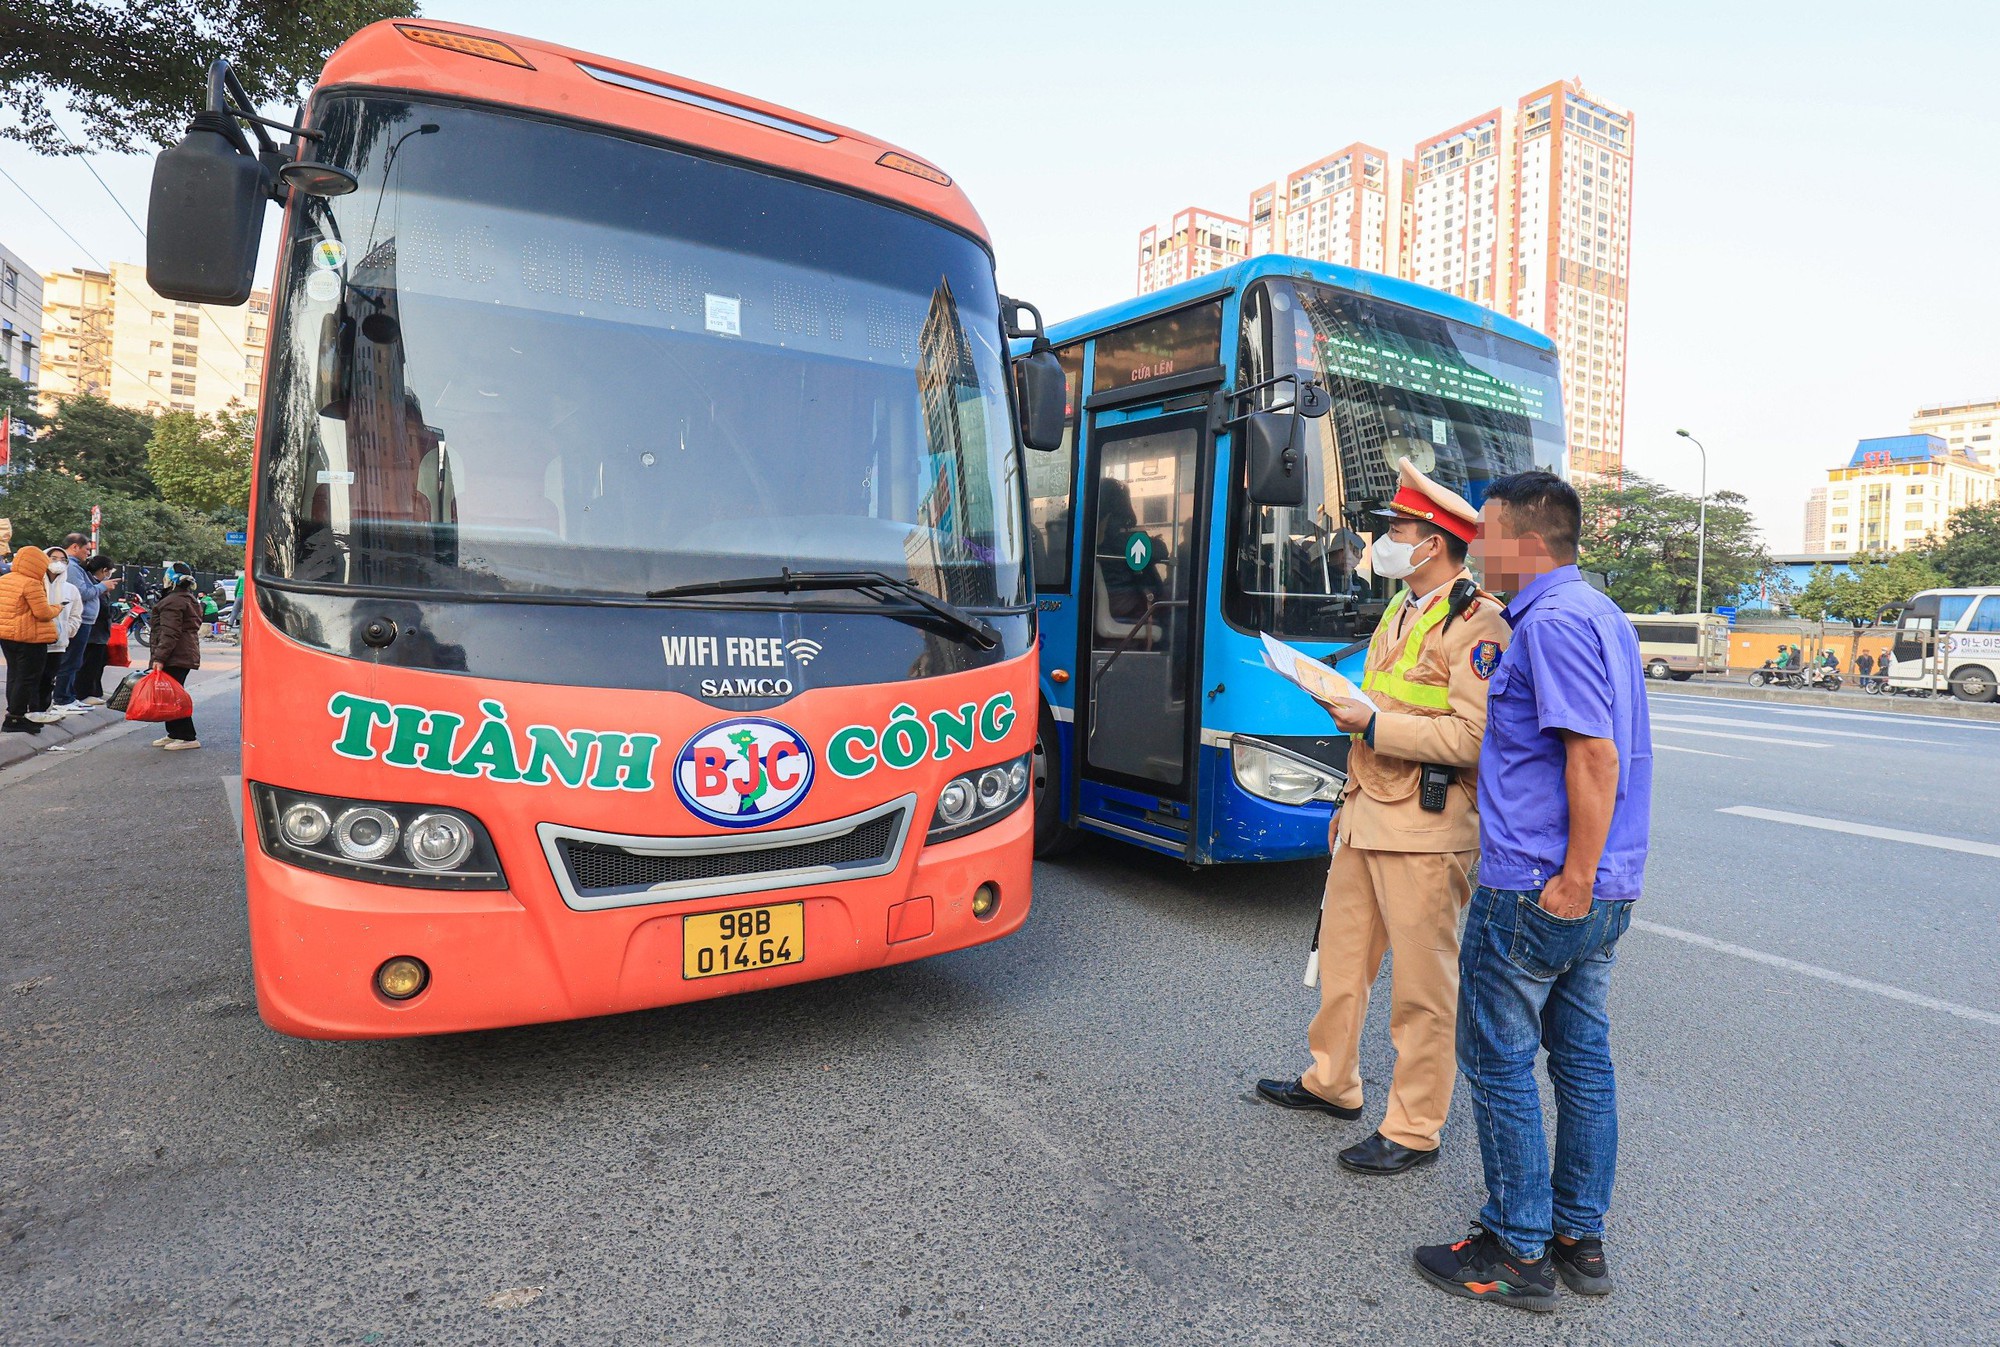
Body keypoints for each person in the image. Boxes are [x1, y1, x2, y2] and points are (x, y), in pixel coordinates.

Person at [1413, 470, 1652, 1313]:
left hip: (1543, 887)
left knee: (1498, 1060)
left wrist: (1571, 880)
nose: (1476, 546)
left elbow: (1593, 754)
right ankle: (1576, 1237)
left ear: (1528, 541)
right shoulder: (1601, 615)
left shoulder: (1550, 624)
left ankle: (1516, 1245)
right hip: (1605, 885)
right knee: (1583, 1059)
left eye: (1487, 531)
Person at [1256, 459, 1511, 1175]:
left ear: (1434, 542)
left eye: (1398, 529)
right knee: (1341, 965)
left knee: (1423, 992)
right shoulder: (1400, 609)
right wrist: (1344, 797)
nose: (1386, 540)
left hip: (1429, 829)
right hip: (1369, 813)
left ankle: (1414, 1126)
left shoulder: (1477, 624)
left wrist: (1372, 727)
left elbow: (1473, 737)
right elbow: (1374, 709)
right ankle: (1330, 1080)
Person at [0, 544, 61, 735]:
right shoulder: (31, 583)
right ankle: (16, 718)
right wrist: (57, 608)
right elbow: (42, 613)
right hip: (30, 638)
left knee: (14, 675)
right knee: (27, 678)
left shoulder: (5, 579)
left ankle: (14, 715)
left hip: (8, 636)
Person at [148, 572, 205, 749]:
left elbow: (169, 633)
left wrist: (159, 658)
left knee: (174, 696)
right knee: (171, 694)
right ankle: (174, 733)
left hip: (175, 655)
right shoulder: (188, 599)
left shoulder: (173, 602)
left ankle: (187, 736)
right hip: (183, 653)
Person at [51, 534, 104, 712]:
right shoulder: (72, 568)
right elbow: (82, 592)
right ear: (75, 547)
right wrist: (103, 587)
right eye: (86, 549)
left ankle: (69, 696)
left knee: (75, 660)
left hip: (81, 620)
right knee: (70, 660)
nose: (88, 553)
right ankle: (62, 698)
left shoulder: (76, 567)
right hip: (75, 620)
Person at [31, 547, 84, 722]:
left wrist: (67, 631)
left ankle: (44, 709)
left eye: (63, 560)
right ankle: (31, 710)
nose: (58, 563)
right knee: (33, 676)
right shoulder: (36, 585)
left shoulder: (70, 589)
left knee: (49, 677)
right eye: (54, 558)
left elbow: (76, 614)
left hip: (59, 642)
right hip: (36, 640)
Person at [77, 561, 119, 704]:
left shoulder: (96, 586)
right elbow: (102, 610)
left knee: (97, 664)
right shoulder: (94, 586)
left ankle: (95, 691)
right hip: (94, 634)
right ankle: (84, 694)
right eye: (109, 572)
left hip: (98, 634)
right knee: (89, 665)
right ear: (104, 570)